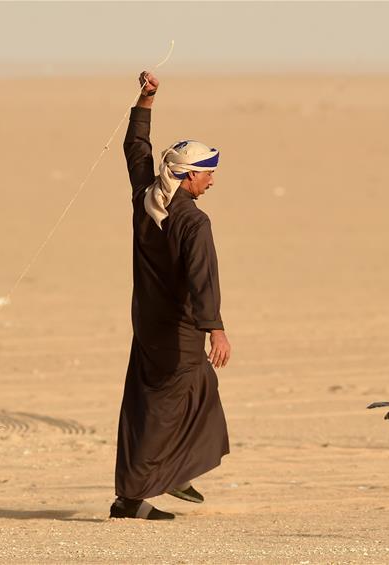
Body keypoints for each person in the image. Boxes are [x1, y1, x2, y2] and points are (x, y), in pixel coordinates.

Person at [110, 71, 231, 520]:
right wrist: (214, 328)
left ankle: (170, 473)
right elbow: (203, 278)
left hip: (147, 325)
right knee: (163, 409)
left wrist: (147, 100)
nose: (212, 182)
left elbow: (135, 149)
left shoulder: (147, 195)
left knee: (188, 393)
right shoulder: (192, 221)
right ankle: (135, 497)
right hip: (176, 332)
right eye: (208, 175)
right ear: (190, 176)